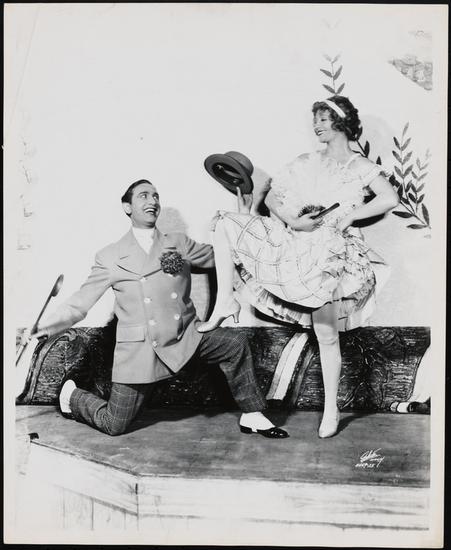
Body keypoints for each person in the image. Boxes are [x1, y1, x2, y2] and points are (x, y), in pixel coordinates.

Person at [197, 96, 399, 438]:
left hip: (331, 253)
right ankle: (225, 302)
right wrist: (294, 221)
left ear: (340, 122)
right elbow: (272, 196)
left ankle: (331, 410)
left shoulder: (360, 166)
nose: (316, 125)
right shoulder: (306, 160)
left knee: (326, 333)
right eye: (315, 120)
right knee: (226, 224)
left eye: (323, 119)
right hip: (297, 243)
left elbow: (389, 198)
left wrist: (350, 216)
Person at [31, 179, 289, 439]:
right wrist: (47, 326)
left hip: (186, 336)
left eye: (155, 196)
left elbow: (225, 256)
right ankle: (72, 396)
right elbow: (80, 302)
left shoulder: (178, 243)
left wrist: (242, 218)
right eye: (143, 195)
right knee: (114, 424)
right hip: (141, 349)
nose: (152, 201)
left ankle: (253, 414)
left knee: (234, 343)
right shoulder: (109, 256)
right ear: (127, 207)